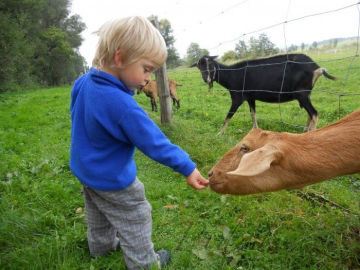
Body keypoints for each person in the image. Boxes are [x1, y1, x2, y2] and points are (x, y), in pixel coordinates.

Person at [69, 16, 209, 269]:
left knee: (97, 212)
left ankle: (100, 250)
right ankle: (145, 263)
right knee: (136, 217)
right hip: (114, 179)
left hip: (85, 170)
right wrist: (187, 167)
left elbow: (75, 112)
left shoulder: (83, 82)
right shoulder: (123, 106)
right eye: (146, 69)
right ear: (120, 58)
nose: (148, 79)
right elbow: (155, 143)